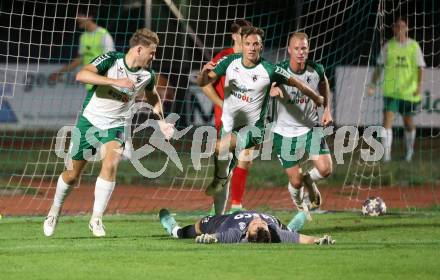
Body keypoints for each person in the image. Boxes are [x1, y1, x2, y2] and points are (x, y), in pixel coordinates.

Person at [43, 28, 175, 237]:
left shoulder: (147, 75)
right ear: (139, 49)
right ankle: (54, 211)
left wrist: (161, 121)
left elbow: (153, 96)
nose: (154, 56)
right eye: (152, 52)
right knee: (72, 175)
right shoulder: (112, 60)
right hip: (90, 121)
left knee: (111, 163)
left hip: (117, 125)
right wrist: (115, 82)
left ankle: (96, 220)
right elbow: (82, 74)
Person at [197, 26, 324, 216]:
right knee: (224, 172)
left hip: (252, 131)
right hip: (229, 125)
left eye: (255, 44)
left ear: (261, 46)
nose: (251, 48)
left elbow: (299, 84)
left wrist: (318, 98)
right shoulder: (230, 62)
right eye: (247, 43)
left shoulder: (270, 70)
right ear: (242, 44)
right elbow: (203, 82)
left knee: (219, 148)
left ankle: (223, 184)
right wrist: (203, 73)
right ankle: (217, 217)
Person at [270, 32, 333, 212]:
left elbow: (324, 83)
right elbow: (265, 87)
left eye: (303, 48)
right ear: (289, 50)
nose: (300, 52)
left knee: (325, 169)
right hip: (284, 132)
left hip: (310, 128)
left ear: (308, 49)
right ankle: (299, 200)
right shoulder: (279, 70)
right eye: (296, 48)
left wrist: (327, 109)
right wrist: (271, 92)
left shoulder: (316, 69)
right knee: (295, 182)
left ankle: (308, 179)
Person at [201, 19, 253, 213]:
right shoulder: (223, 57)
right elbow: (205, 83)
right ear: (234, 36)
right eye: (242, 34)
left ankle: (237, 205)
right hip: (225, 122)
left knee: (246, 159)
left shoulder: (253, 60)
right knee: (225, 169)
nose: (245, 38)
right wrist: (222, 103)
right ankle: (218, 213)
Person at [368, 17, 425, 162]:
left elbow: (420, 67)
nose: (400, 29)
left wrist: (418, 86)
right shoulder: (388, 46)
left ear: (407, 29)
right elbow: (379, 67)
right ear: (393, 29)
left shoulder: (414, 46)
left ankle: (409, 152)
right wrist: (372, 85)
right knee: (387, 121)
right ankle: (386, 156)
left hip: (409, 93)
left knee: (408, 123)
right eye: (397, 26)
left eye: (403, 26)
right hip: (391, 91)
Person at [159, 209, 335, 245]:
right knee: (289, 231)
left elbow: (218, 238)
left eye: (256, 225)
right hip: (281, 226)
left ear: (246, 234)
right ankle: (300, 217)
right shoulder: (274, 232)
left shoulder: (236, 233)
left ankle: (174, 230)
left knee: (197, 227)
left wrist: (209, 237)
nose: (260, 221)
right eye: (263, 226)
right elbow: (302, 239)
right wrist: (319, 240)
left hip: (222, 221)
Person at [49, 8, 115, 89]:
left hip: (102, 85)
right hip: (90, 84)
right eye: (77, 15)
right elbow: (80, 60)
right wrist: (59, 73)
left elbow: (111, 60)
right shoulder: (83, 37)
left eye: (80, 15)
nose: (77, 18)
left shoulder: (104, 35)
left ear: (90, 17)